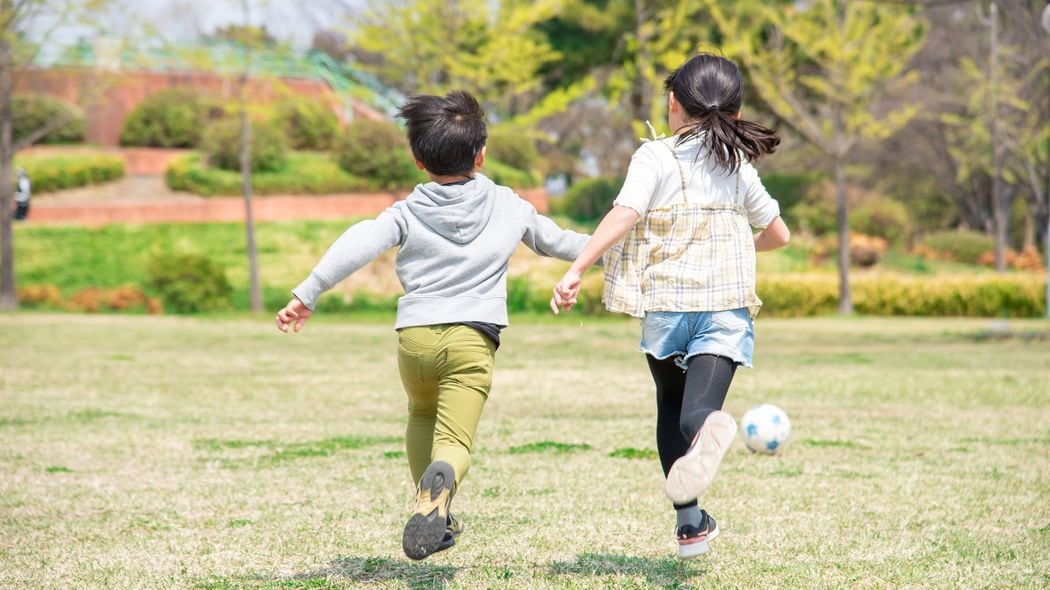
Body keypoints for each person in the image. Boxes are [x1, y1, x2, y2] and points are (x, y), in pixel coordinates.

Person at [276, 91, 592, 561]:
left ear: (417, 160)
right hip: (472, 338)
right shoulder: (510, 205)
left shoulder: (407, 210)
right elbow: (559, 242)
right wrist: (613, 248)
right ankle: (438, 492)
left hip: (416, 340)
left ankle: (433, 511)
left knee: (421, 414)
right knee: (454, 442)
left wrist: (310, 290)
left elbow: (360, 240)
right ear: (480, 154)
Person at [550, 53, 791, 560]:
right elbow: (777, 234)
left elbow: (625, 213)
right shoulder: (737, 165)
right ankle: (709, 431)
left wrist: (576, 269)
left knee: (669, 406)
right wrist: (738, 248)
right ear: (735, 112)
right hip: (724, 308)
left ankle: (690, 524)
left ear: (673, 103)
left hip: (667, 308)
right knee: (699, 412)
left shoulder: (656, 156)